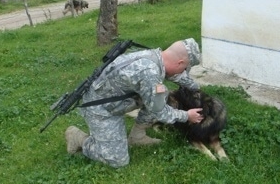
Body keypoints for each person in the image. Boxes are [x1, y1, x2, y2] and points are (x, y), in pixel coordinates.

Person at [65, 38, 204, 168]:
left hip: (116, 98)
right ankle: (79, 138)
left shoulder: (155, 56)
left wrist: (196, 90)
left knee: (161, 93)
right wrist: (187, 115)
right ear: (179, 63)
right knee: (118, 160)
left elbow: (177, 76)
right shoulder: (149, 73)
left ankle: (137, 137)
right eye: (185, 68)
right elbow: (159, 111)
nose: (183, 73)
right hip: (100, 108)